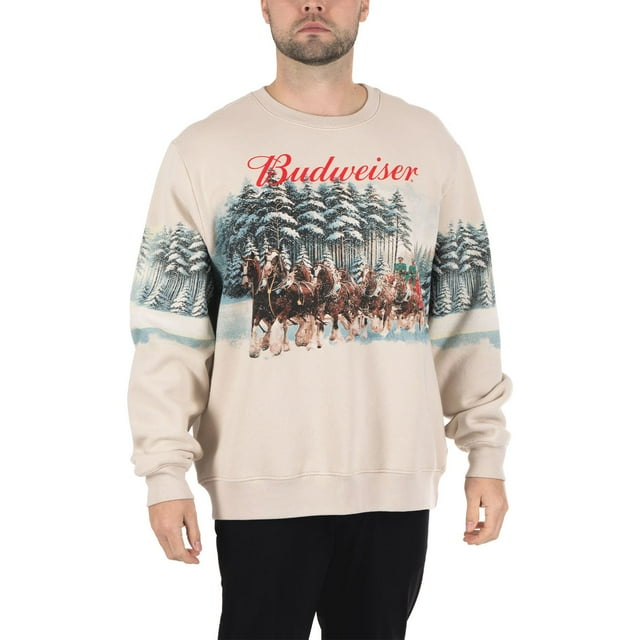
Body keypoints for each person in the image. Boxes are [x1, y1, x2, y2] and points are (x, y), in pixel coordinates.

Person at [127, 1, 513, 638]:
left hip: (394, 481)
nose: (311, 3)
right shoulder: (203, 148)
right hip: (257, 480)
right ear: (264, 5)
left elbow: (465, 312)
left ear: (364, 4)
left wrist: (486, 454)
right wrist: (164, 472)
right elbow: (169, 332)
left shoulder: (427, 142)